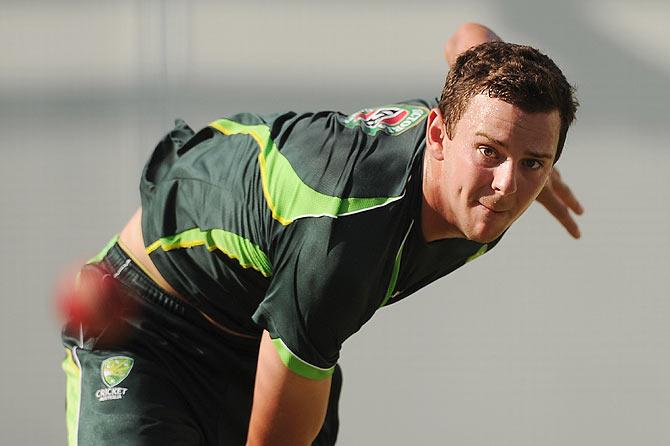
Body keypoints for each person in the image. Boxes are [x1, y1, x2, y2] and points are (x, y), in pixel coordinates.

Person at [60, 23, 582, 446]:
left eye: (534, 161)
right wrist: (520, 150)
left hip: (270, 320)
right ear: (439, 134)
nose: (507, 185)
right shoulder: (344, 241)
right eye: (489, 151)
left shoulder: (485, 148)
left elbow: (468, 39)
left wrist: (517, 144)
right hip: (150, 324)